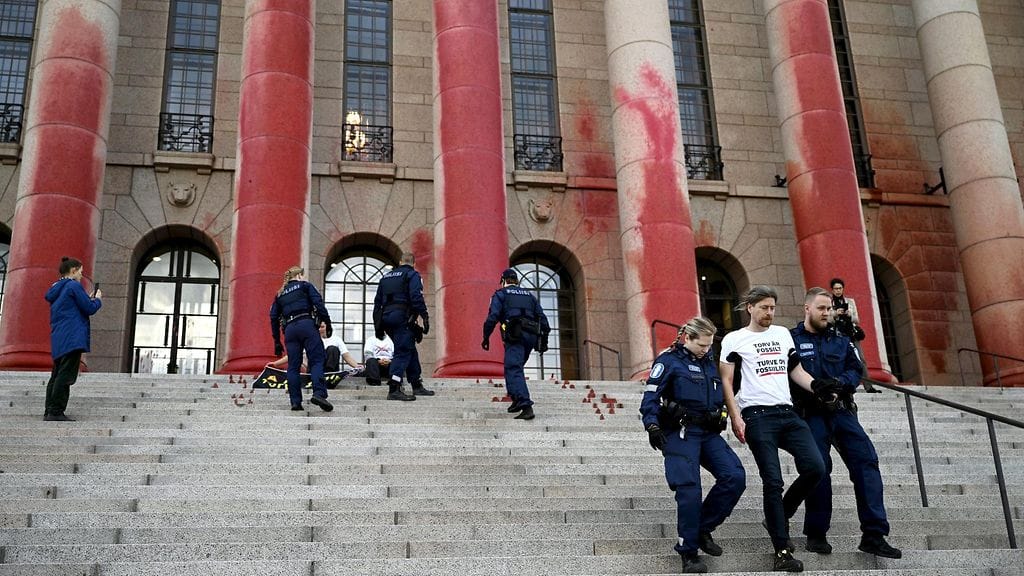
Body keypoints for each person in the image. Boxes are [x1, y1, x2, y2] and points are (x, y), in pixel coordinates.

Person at [718, 285, 828, 572]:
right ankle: (781, 551)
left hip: (787, 412)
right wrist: (735, 416)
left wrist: (816, 386)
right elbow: (727, 382)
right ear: (750, 308)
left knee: (816, 467)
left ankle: (782, 512)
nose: (770, 312)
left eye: (773, 308)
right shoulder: (734, 339)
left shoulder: (782, 334)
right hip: (756, 416)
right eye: (764, 307)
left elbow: (796, 370)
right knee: (773, 482)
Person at [790, 287, 901, 559]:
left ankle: (874, 535)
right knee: (818, 470)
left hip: (842, 411)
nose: (826, 313)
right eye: (821, 308)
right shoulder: (790, 339)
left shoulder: (841, 339)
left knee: (867, 463)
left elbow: (855, 368)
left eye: (828, 308)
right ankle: (816, 534)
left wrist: (841, 383)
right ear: (807, 309)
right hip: (810, 413)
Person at [640, 317, 746, 574]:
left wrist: (720, 413)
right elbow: (651, 396)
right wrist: (652, 425)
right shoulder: (668, 361)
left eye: (710, 345)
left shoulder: (709, 363)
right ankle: (688, 552)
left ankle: (701, 529)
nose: (706, 350)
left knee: (734, 476)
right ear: (687, 337)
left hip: (707, 432)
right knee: (689, 490)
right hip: (680, 432)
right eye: (702, 345)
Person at [481, 268, 550, 421]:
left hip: (515, 334)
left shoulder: (500, 294)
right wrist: (544, 340)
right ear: (517, 281)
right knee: (512, 366)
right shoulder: (530, 296)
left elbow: (493, 317)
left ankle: (526, 405)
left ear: (503, 281)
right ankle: (516, 399)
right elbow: (543, 319)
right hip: (531, 336)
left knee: (513, 368)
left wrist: (486, 337)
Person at [44, 257, 102, 421]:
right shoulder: (73, 286)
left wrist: (87, 299)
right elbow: (89, 308)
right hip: (73, 337)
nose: (81, 276)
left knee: (56, 375)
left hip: (59, 338)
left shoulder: (56, 288)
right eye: (81, 272)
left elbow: (74, 308)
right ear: (73, 270)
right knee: (65, 376)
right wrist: (97, 299)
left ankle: (49, 410)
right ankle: (56, 411)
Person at [269, 266, 334, 412]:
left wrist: (277, 341)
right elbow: (319, 304)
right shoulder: (305, 286)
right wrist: (327, 322)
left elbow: (273, 317)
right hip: (307, 324)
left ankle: (295, 402)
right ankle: (319, 393)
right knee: (317, 360)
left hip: (290, 330)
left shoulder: (279, 294)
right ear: (299, 275)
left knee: (293, 366)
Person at [373, 252, 435, 400]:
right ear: (413, 263)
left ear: (400, 262)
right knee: (403, 350)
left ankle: (416, 384)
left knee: (409, 347)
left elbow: (377, 303)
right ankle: (394, 387)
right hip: (402, 317)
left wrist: (378, 326)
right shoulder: (413, 275)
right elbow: (416, 296)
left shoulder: (385, 277)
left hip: (386, 318)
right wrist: (424, 316)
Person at [829, 277, 876, 391]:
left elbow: (857, 319)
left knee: (861, 358)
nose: (838, 291)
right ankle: (841, 384)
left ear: (843, 289)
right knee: (839, 359)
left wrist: (850, 315)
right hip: (837, 334)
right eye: (836, 289)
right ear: (832, 290)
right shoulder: (829, 302)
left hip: (851, 333)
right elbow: (827, 319)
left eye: (840, 288)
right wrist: (836, 313)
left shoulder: (850, 302)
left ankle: (868, 386)